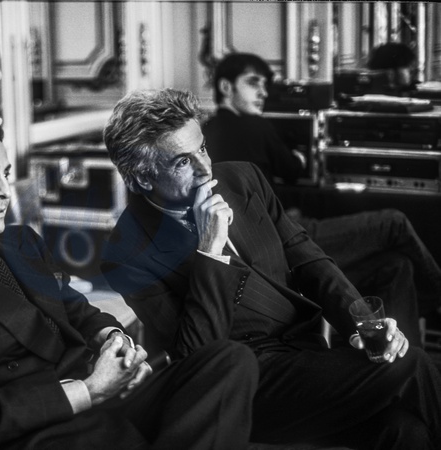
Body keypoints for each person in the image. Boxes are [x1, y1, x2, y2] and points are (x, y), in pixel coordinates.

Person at [0, 110, 257, 450]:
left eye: (5, 174)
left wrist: (116, 343)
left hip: (101, 396)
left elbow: (78, 311)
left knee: (228, 361)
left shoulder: (19, 242)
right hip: (36, 429)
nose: (4, 192)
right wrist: (90, 390)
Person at [101, 88, 441, 449]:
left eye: (201, 149)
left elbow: (309, 260)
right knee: (411, 364)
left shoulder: (242, 179)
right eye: (182, 162)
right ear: (143, 178)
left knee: (405, 430)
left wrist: (364, 326)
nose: (204, 169)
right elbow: (198, 361)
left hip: (309, 355)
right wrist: (210, 251)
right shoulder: (127, 255)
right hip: (250, 385)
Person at [202, 52, 441, 345]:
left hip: (258, 253)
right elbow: (293, 169)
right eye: (254, 83)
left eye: (265, 85)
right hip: (283, 240)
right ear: (226, 87)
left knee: (397, 264)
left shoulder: (204, 134)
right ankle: (438, 299)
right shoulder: (255, 125)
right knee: (394, 222)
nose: (263, 93)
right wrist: (298, 156)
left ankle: (396, 353)